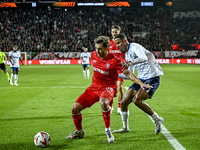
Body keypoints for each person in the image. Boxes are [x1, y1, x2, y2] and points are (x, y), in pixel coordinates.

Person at [66, 36, 152, 143]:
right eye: (96, 48)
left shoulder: (115, 60)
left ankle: (108, 131)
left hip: (108, 88)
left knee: (103, 103)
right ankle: (79, 131)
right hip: (94, 87)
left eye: (100, 48)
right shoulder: (93, 55)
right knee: (74, 108)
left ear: (107, 48)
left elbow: (128, 73)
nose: (97, 51)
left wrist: (141, 83)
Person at [113, 33, 164, 135]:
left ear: (125, 41)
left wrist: (131, 62)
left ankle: (157, 119)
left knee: (137, 100)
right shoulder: (127, 54)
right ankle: (125, 127)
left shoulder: (135, 46)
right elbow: (130, 74)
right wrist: (115, 75)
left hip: (152, 78)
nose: (117, 45)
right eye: (116, 44)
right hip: (141, 79)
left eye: (118, 43)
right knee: (123, 102)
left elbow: (143, 58)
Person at [108, 25, 126, 114]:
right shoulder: (108, 43)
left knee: (120, 87)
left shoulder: (122, 43)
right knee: (110, 88)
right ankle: (110, 106)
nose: (114, 33)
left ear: (119, 32)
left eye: (116, 32)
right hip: (111, 69)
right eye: (113, 32)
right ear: (111, 33)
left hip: (120, 68)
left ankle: (120, 106)